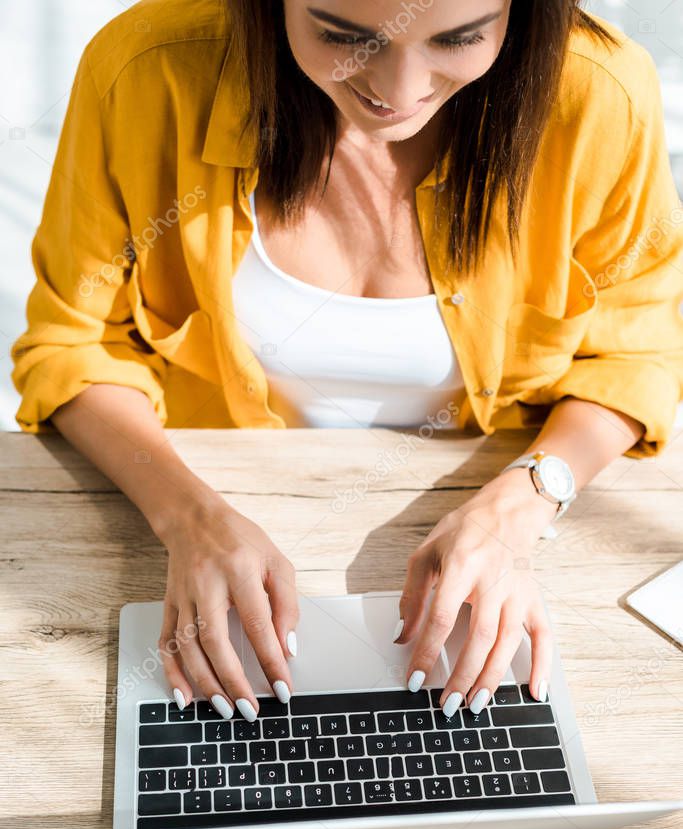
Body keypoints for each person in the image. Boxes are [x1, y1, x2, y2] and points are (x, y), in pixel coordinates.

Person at [11, 1, 683, 723]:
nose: (399, 90)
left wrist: (522, 502)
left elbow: (636, 348)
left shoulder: (601, 91)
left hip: (505, 513)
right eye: (342, 36)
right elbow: (75, 343)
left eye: (459, 38)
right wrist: (187, 518)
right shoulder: (145, 70)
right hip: (203, 496)